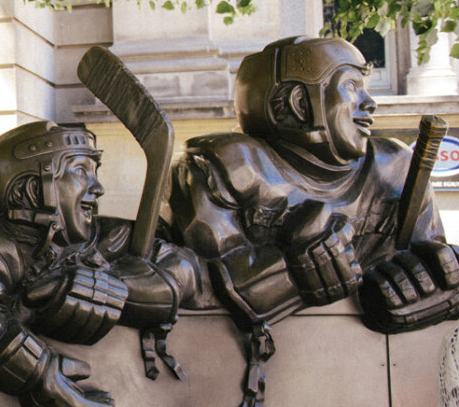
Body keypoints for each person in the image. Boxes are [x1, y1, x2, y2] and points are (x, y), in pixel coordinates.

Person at [165, 35, 459, 404]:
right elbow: (203, 289)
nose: (370, 103)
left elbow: (435, 263)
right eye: (352, 86)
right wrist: (291, 271)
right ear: (297, 103)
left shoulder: (395, 168)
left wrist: (435, 287)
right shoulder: (223, 166)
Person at [0, 121, 193, 407]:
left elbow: (184, 271)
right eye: (80, 171)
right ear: (30, 189)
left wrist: (108, 286)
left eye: (94, 172)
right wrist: (46, 377)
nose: (98, 187)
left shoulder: (108, 237)